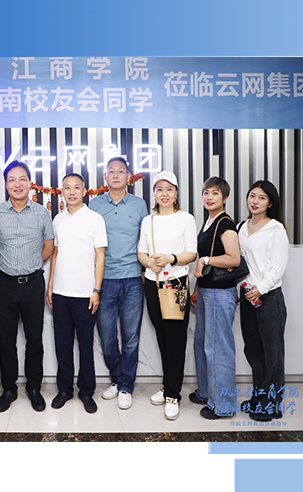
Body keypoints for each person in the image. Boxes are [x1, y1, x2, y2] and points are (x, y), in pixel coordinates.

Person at [0, 160, 54, 413]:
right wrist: (9, 267)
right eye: (12, 179)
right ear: (6, 184)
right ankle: (9, 389)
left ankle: (34, 388)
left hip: (33, 283)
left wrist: (30, 264)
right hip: (5, 284)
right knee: (6, 340)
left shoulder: (41, 213)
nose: (18, 184)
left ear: (29, 183)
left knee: (34, 339)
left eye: (22, 179)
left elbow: (49, 247)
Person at [137, 171, 197, 421]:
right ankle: (168, 385)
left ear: (176, 193)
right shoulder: (148, 221)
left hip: (177, 284)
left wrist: (171, 258)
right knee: (162, 337)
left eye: (169, 189)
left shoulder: (186, 219)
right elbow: (141, 252)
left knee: (175, 339)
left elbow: (191, 253)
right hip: (153, 284)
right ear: (154, 194)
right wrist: (150, 263)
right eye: (159, 189)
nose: (164, 194)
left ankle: (173, 395)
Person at [89, 156, 147, 410]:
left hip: (133, 278)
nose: (115, 175)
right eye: (111, 171)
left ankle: (125, 386)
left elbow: (145, 239)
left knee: (131, 336)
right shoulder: (94, 204)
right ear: (105, 177)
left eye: (120, 171)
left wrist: (145, 270)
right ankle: (116, 378)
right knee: (107, 336)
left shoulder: (139, 204)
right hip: (104, 280)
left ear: (128, 177)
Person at [46, 173, 107, 414]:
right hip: (61, 292)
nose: (71, 192)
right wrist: (50, 285)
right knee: (62, 344)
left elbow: (100, 257)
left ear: (84, 191)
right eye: (67, 188)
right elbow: (55, 254)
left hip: (85, 294)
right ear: (62, 192)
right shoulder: (58, 220)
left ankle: (86, 391)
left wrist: (96, 290)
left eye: (76, 187)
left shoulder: (95, 219)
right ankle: (64, 389)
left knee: (85, 345)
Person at [190, 177, 241, 419]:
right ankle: (206, 392)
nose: (209, 197)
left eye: (215, 193)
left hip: (220, 294)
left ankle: (223, 405)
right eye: (206, 193)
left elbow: (234, 258)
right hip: (207, 292)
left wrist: (206, 260)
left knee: (218, 349)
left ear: (225, 197)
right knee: (203, 344)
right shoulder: (208, 221)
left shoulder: (225, 223)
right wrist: (197, 289)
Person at [238, 180, 289, 422]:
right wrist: (244, 289)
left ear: (270, 203)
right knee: (253, 350)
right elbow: (240, 262)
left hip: (268, 298)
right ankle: (259, 398)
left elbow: (277, 267)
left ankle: (272, 404)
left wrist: (260, 288)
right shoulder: (241, 227)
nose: (255, 201)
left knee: (272, 353)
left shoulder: (275, 229)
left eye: (261, 197)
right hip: (247, 296)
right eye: (252, 196)